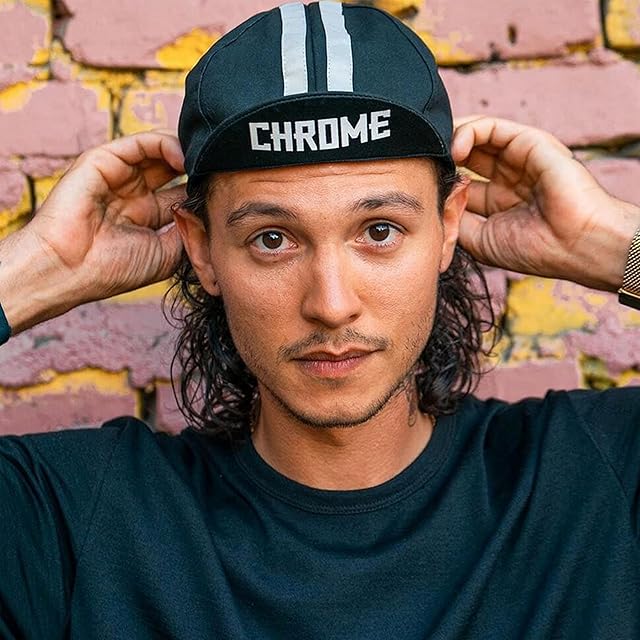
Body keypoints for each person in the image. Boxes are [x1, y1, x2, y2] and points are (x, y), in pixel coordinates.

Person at [1, 2, 639, 638]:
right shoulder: (66, 523)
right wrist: (41, 269)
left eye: (380, 231)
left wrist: (613, 244)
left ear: (448, 226)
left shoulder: (598, 478)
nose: (331, 305)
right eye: (273, 239)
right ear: (202, 249)